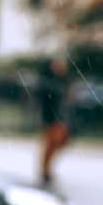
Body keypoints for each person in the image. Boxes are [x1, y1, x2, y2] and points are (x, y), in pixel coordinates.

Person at [37, 54, 73, 185]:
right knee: (51, 144)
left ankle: (46, 169)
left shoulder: (63, 81)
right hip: (52, 118)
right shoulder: (49, 82)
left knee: (59, 142)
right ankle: (45, 170)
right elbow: (46, 101)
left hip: (61, 118)